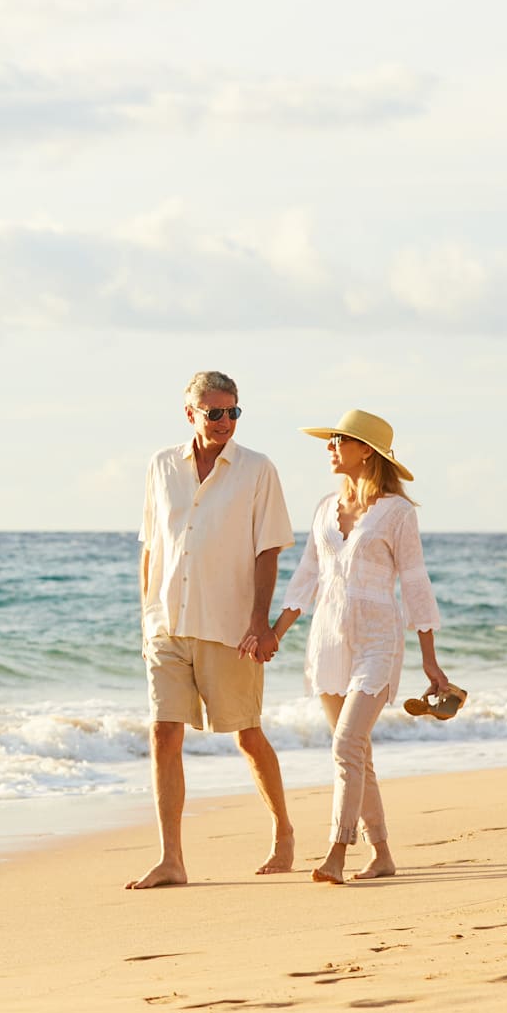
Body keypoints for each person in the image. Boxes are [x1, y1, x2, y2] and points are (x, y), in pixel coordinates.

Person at [255, 409, 453, 885]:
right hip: (327, 641)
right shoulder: (325, 508)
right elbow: (307, 575)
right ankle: (382, 853)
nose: (330, 447)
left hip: (378, 641)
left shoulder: (399, 513)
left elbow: (415, 583)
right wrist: (275, 633)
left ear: (366, 450)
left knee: (345, 744)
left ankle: (336, 852)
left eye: (339, 440)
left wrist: (430, 662)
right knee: (357, 752)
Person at [126, 370, 297, 890]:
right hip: (166, 624)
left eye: (233, 412)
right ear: (191, 414)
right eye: (215, 413)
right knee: (163, 734)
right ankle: (171, 859)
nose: (225, 422)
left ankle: (284, 832)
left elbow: (268, 548)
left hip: (230, 628)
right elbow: (151, 546)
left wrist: (260, 622)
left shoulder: (257, 470)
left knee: (246, 735)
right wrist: (146, 617)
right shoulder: (161, 466)